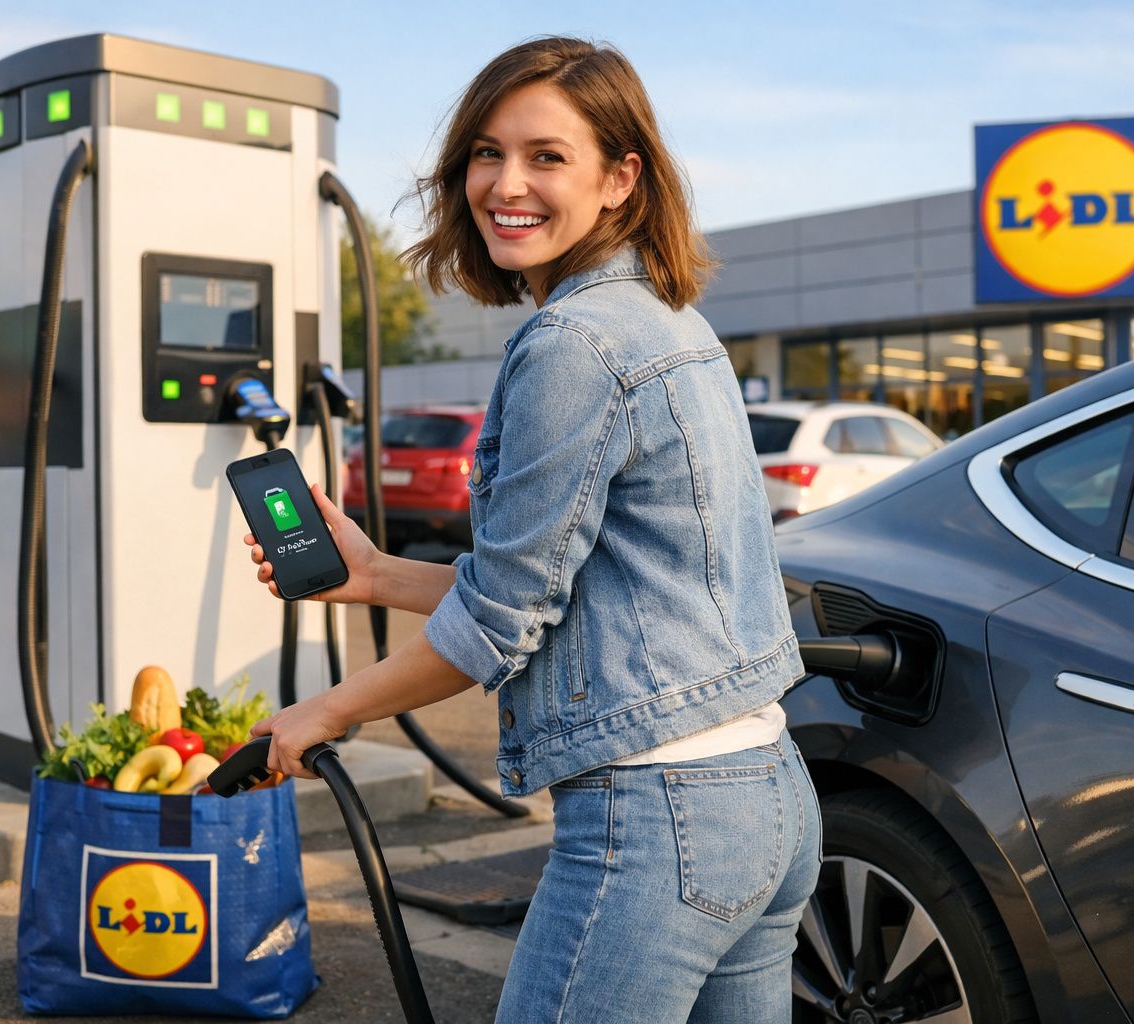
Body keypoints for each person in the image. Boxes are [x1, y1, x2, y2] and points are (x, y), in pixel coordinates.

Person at [244, 36, 820, 1023]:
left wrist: (324, 712)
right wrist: (376, 575)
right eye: (487, 152)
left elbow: (496, 627)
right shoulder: (671, 322)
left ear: (620, 179)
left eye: (546, 156)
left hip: (659, 816)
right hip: (764, 794)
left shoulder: (571, 345)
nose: (506, 184)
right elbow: (577, 593)